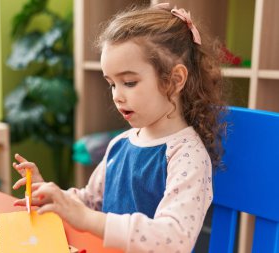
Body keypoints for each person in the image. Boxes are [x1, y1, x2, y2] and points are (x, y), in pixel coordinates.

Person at [12, 3, 226, 252]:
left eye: (129, 82)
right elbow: (90, 202)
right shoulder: (120, 144)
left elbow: (173, 239)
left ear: (175, 80)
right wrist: (52, 195)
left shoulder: (187, 155)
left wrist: (86, 219)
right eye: (112, 84)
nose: (117, 96)